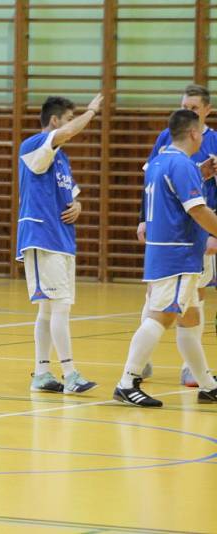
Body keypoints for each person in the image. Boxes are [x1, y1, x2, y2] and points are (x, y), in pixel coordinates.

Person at [115, 109, 217, 407]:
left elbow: (170, 192)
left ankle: (208, 384)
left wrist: (201, 173)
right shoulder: (182, 164)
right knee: (161, 317)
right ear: (195, 134)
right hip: (178, 254)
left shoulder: (160, 161)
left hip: (164, 251)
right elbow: (198, 211)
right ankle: (127, 381)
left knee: (189, 319)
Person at [16, 94, 101, 395]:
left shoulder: (60, 158)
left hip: (62, 240)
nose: (70, 126)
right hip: (42, 237)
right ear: (54, 122)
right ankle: (70, 373)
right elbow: (67, 133)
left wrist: (76, 205)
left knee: (49, 311)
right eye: (67, 119)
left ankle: (41, 373)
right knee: (60, 307)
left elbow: (70, 193)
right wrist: (91, 112)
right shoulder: (34, 146)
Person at [135, 84, 217, 386]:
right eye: (185, 105)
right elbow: (161, 181)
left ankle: (200, 377)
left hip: (195, 235)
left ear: (207, 110)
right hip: (179, 238)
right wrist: (144, 219)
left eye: (194, 107)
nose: (188, 110)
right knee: (163, 309)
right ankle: (131, 374)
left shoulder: (209, 143)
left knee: (192, 306)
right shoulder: (170, 145)